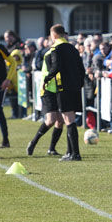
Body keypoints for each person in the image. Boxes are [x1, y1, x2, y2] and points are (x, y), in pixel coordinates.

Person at [39, 24, 87, 161]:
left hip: (63, 87)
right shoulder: (73, 48)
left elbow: (56, 67)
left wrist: (46, 79)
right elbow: (81, 68)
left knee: (68, 120)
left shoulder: (55, 49)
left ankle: (75, 154)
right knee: (70, 118)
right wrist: (79, 84)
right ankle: (70, 152)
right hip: (75, 87)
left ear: (53, 35)